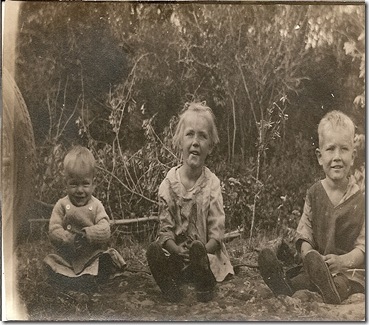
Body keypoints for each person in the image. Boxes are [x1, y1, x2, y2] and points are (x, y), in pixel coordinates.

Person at [258, 110, 365, 304]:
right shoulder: (313, 193)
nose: (337, 156)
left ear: (354, 155)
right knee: (300, 280)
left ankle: (330, 293)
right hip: (317, 267)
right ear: (319, 156)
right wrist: (309, 256)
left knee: (344, 284)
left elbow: (363, 247)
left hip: (347, 271)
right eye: (330, 149)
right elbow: (304, 234)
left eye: (344, 149)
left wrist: (342, 261)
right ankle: (283, 285)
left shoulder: (362, 199)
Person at [146, 102, 234, 303]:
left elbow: (217, 234)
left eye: (203, 136)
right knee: (157, 252)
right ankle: (170, 286)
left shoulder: (212, 185)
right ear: (179, 141)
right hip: (177, 255)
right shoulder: (168, 184)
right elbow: (165, 229)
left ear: (210, 146)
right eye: (190, 134)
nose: (196, 142)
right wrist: (175, 249)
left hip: (205, 254)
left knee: (202, 261)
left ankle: (204, 284)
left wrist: (201, 250)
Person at [44, 146, 126, 291]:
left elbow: (105, 228)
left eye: (85, 184)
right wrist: (68, 238)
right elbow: (54, 229)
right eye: (74, 184)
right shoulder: (62, 205)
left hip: (91, 256)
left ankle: (88, 279)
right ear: (66, 184)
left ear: (93, 184)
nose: (80, 190)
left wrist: (89, 234)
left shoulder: (96, 205)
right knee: (51, 262)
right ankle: (73, 279)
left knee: (104, 259)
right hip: (68, 257)